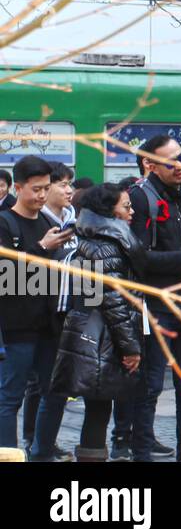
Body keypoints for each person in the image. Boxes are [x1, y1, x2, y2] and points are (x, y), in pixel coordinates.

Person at [127, 134, 181, 462]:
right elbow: (137, 257)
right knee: (149, 388)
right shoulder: (139, 197)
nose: (180, 165)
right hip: (156, 306)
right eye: (170, 161)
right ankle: (141, 455)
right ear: (149, 164)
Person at [50, 183, 146, 462]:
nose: (132, 211)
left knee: (99, 408)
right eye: (126, 206)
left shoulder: (104, 239)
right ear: (108, 211)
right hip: (103, 337)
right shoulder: (106, 246)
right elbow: (113, 302)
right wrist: (130, 348)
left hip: (104, 335)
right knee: (99, 408)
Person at [0, 156, 70, 460]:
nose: (42, 195)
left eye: (46, 188)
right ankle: (8, 455)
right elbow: (7, 277)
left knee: (54, 392)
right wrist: (42, 248)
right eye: (36, 189)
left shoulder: (46, 222)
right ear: (18, 188)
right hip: (16, 325)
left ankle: (41, 452)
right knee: (10, 396)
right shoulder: (5, 222)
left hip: (49, 323)